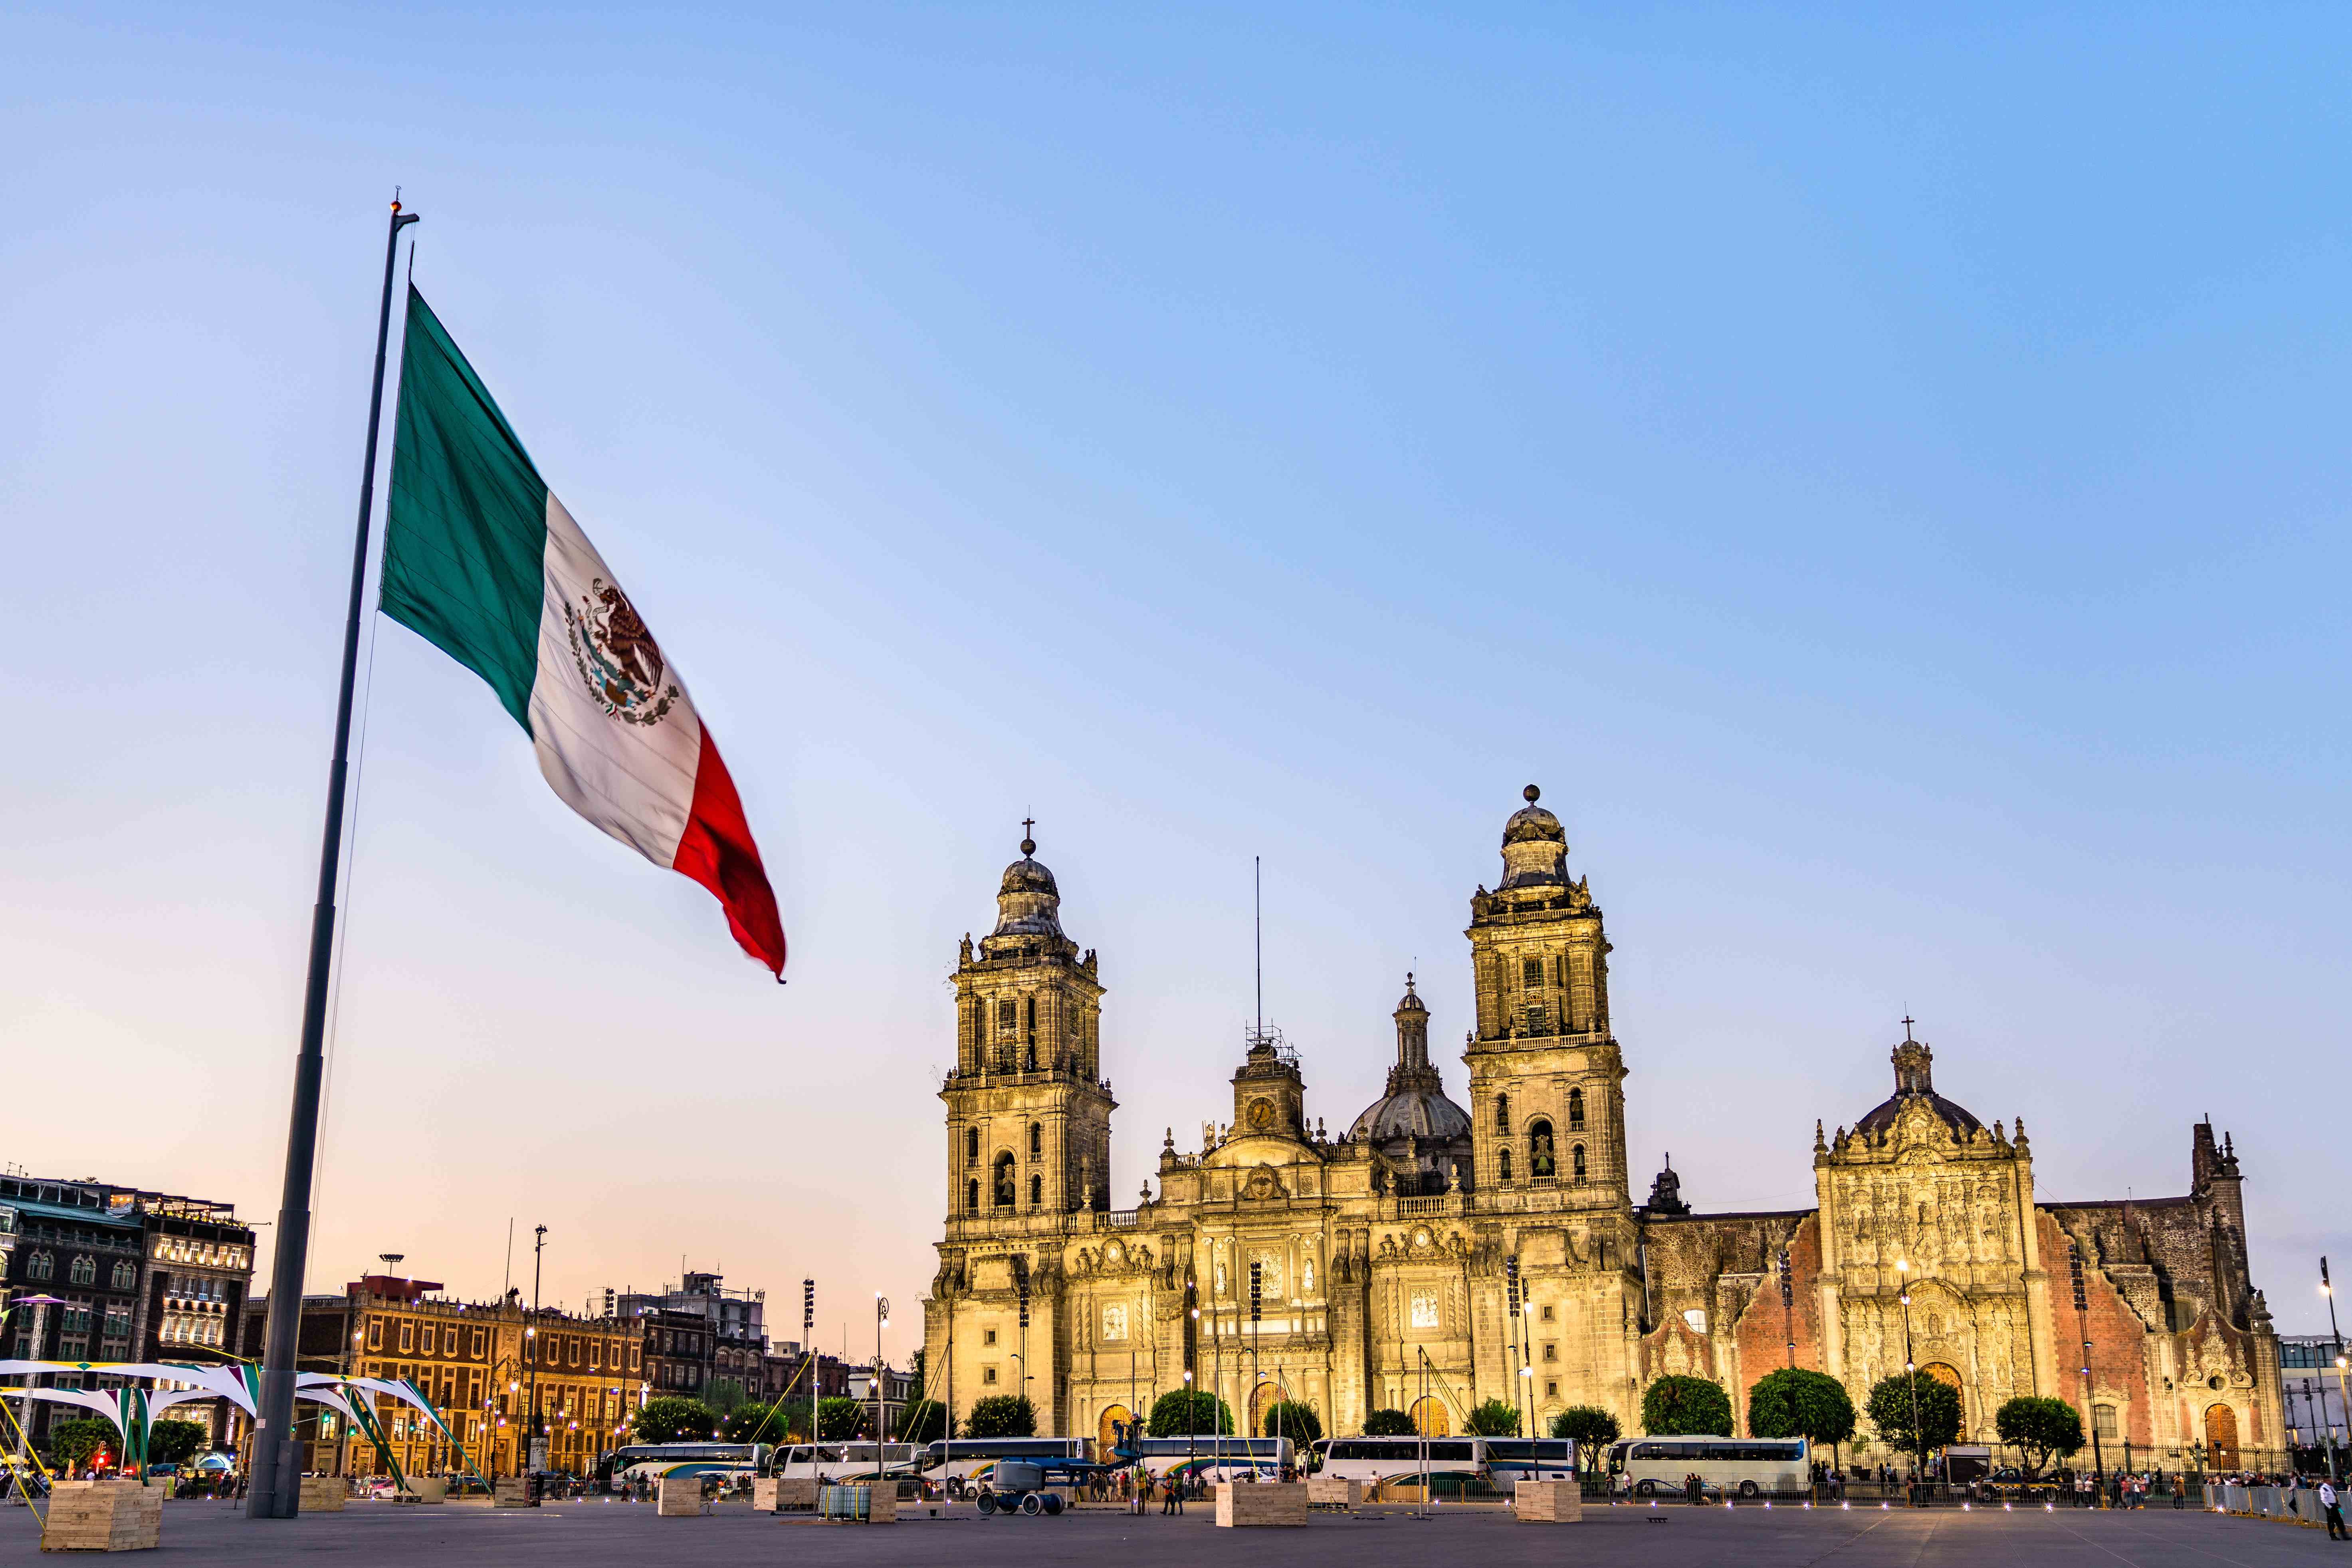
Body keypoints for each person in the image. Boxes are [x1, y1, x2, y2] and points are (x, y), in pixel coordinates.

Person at [2321, 1477, 2346, 1541]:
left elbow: (2334, 1496)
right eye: (2330, 1480)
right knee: (2331, 1521)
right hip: (2330, 1506)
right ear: (2326, 1481)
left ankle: (2344, 1534)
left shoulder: (2331, 1487)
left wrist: (2337, 1504)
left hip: (2334, 1505)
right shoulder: (2324, 1488)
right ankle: (2332, 1535)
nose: (2331, 1481)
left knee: (2339, 1520)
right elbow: (2324, 1499)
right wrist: (2330, 1507)